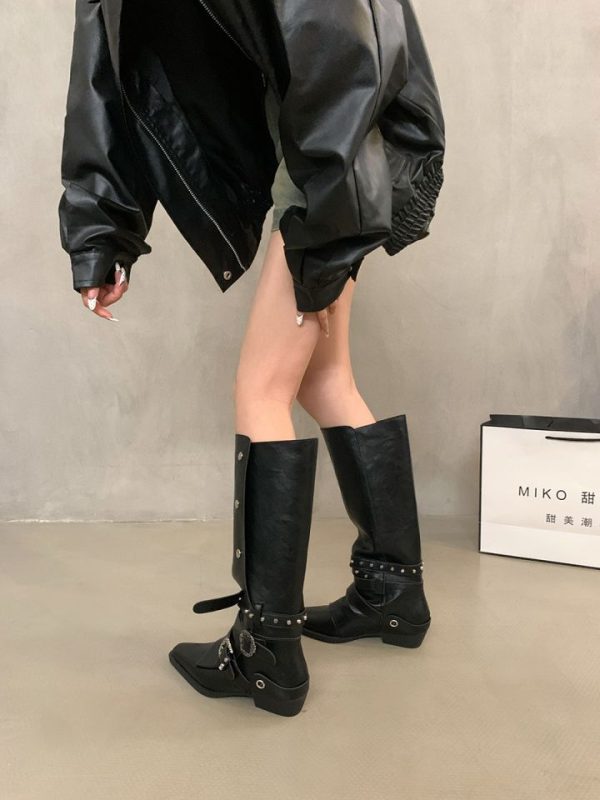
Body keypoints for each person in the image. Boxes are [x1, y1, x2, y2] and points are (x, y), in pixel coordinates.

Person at [59, 0, 446, 717]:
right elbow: (104, 76)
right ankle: (392, 590)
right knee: (325, 379)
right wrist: (103, 232)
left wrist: (325, 221)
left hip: (329, 164)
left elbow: (342, 48)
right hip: (327, 157)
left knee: (261, 389)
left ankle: (267, 650)